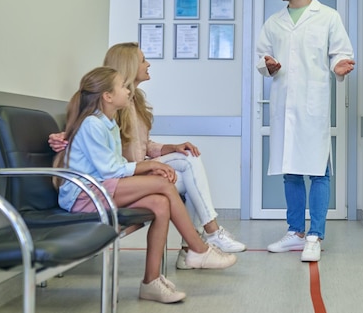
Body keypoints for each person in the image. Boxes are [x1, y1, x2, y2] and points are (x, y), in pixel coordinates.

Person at [49, 42, 246, 270]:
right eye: (143, 60)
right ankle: (201, 244)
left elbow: (138, 148)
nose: (148, 63)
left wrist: (168, 149)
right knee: (172, 180)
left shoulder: (121, 111)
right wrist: (65, 137)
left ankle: (157, 277)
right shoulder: (98, 117)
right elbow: (89, 142)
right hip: (98, 185)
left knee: (172, 187)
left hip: (115, 177)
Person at [255, 0, 355, 262]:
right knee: (291, 172)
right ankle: (295, 232)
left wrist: (339, 65)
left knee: (319, 172)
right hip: (285, 108)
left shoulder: (327, 16)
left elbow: (342, 53)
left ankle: (314, 236)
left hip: (313, 107)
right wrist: (267, 65)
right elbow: (261, 58)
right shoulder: (274, 22)